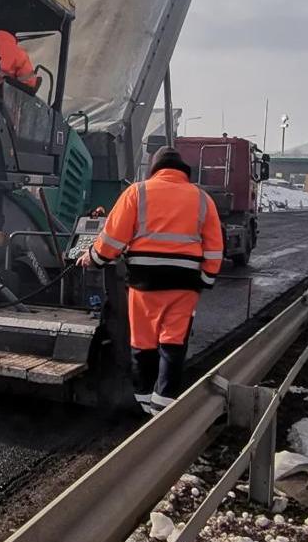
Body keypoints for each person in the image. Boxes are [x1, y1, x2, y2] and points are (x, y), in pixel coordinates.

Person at [80, 146, 224, 414]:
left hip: (144, 282)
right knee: (173, 342)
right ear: (182, 171)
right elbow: (215, 246)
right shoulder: (202, 199)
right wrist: (205, 278)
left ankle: (144, 400)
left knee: (143, 343)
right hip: (184, 284)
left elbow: (113, 236)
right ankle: (163, 403)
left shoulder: (138, 192)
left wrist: (94, 258)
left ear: (155, 170)